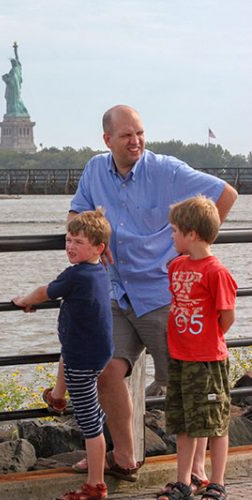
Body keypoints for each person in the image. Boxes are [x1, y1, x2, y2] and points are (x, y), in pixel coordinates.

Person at [43, 105, 238, 485]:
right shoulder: (94, 170)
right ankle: (125, 456)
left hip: (164, 295)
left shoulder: (165, 169)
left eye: (140, 133)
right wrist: (94, 239)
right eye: (126, 136)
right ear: (107, 140)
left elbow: (225, 195)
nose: (135, 142)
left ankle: (197, 471)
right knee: (106, 370)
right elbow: (74, 215)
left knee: (184, 385)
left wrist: (191, 250)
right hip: (115, 291)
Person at [13, 210, 113, 500]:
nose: (70, 246)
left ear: (98, 248)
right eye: (68, 240)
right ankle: (58, 396)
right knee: (67, 359)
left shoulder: (77, 274)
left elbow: (46, 291)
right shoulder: (98, 271)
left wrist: (24, 300)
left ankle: (96, 486)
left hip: (82, 360)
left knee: (90, 423)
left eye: (78, 242)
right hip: (93, 352)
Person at [156, 196, 236, 500]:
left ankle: (217, 481)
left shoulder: (217, 272)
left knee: (214, 422)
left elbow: (226, 316)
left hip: (206, 361)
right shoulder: (176, 266)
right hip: (180, 357)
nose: (172, 236)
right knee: (183, 421)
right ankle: (183, 481)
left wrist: (205, 339)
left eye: (175, 230)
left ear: (192, 234)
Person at [2, 42, 29, 116]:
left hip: (15, 88)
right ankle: (12, 111)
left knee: (15, 100)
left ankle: (15, 110)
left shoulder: (17, 69)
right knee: (11, 100)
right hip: (11, 89)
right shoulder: (14, 70)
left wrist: (15, 50)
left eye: (13, 62)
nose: (12, 64)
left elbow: (17, 58)